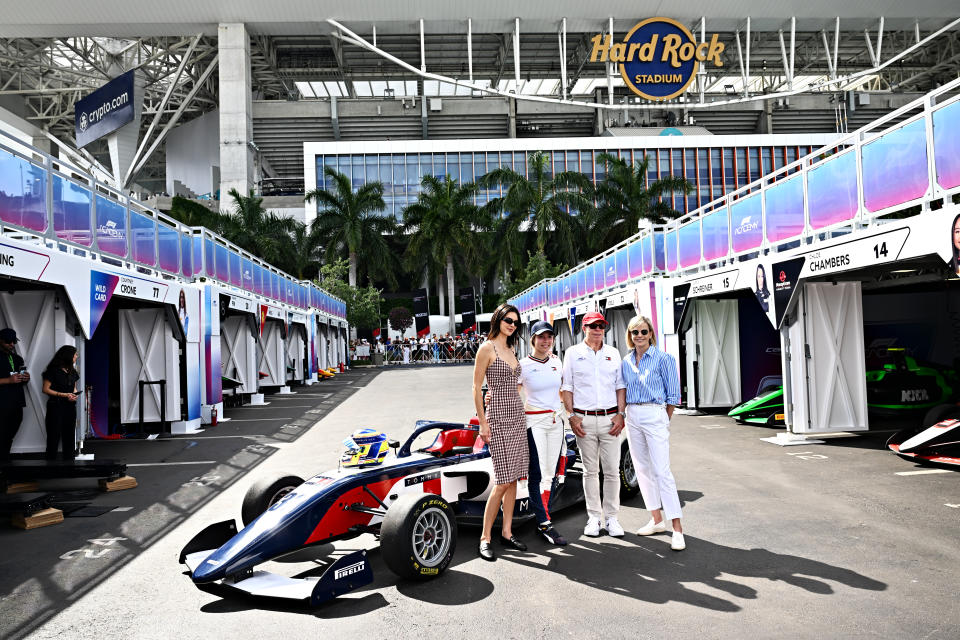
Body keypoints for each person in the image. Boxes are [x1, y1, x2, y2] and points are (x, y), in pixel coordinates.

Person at [617, 315, 685, 551]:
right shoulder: (626, 362)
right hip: (633, 416)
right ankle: (657, 520)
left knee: (662, 472)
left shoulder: (664, 359)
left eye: (643, 332)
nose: (639, 336)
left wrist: (663, 419)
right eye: (635, 332)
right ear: (630, 335)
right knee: (642, 470)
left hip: (655, 413)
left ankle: (677, 529)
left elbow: (674, 395)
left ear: (650, 334)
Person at [560, 311, 627, 538]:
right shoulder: (572, 353)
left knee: (611, 472)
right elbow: (567, 386)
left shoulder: (613, 353)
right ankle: (594, 518)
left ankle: (612, 519)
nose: (598, 329)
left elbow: (620, 386)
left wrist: (620, 414)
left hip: (610, 420)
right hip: (583, 420)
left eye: (601, 326)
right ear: (584, 328)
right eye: (593, 326)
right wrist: (571, 415)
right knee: (590, 471)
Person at [473, 303, 528, 560]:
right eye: (508, 320)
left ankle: (507, 532)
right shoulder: (487, 348)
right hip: (498, 419)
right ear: (498, 319)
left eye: (515, 322)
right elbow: (476, 388)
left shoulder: (511, 347)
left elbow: (515, 383)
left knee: (515, 476)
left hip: (517, 415)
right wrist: (483, 423)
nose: (512, 325)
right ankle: (485, 537)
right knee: (503, 479)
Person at [518, 320, 567, 545]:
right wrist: (490, 399)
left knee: (550, 472)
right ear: (533, 339)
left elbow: (563, 390)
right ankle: (544, 521)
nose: (545, 341)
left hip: (556, 420)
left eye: (549, 337)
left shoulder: (557, 361)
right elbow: (511, 392)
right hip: (535, 422)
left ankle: (543, 518)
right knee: (538, 472)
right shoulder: (523, 365)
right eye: (541, 337)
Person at [41, 345, 80, 461]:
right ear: (68, 356)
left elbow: (74, 387)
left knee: (69, 437)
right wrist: (63, 395)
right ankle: (50, 466)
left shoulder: (72, 371)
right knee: (53, 437)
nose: (76, 356)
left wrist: (74, 394)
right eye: (75, 354)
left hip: (70, 407)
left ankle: (69, 464)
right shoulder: (53, 371)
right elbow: (45, 389)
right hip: (56, 407)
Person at [0, 328, 30, 461]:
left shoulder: (17, 359)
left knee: (10, 431)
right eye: (8, 341)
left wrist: (25, 378)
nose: (12, 344)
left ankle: (5, 461)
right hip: (2, 402)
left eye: (14, 341)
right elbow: (10, 379)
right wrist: (8, 380)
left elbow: (20, 379)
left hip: (16, 401)